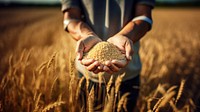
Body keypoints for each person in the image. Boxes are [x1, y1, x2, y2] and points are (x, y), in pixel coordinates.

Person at [61, 0, 155, 111]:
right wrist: (87, 34)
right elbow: (71, 18)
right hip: (86, 74)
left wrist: (125, 35)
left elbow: (144, 17)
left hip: (127, 73)